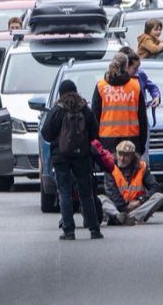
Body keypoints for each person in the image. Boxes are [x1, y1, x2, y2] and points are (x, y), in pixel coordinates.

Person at [40, 80, 103, 240]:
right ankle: (94, 229)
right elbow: (95, 132)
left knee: (65, 192)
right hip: (82, 156)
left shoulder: (57, 110)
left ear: (60, 93)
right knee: (86, 193)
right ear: (76, 91)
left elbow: (46, 134)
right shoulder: (84, 109)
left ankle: (68, 230)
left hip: (61, 156)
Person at [92, 53, 148, 155]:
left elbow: (95, 117)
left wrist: (96, 143)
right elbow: (142, 118)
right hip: (131, 139)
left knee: (111, 170)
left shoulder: (101, 86)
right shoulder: (135, 86)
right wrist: (142, 143)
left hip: (107, 140)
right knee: (131, 170)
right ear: (126, 66)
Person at [99, 140, 163, 225]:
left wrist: (140, 201)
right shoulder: (110, 167)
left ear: (133, 156)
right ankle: (119, 216)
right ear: (116, 153)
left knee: (159, 197)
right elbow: (112, 193)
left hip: (136, 207)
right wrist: (125, 207)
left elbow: (155, 187)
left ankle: (130, 218)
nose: (122, 158)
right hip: (117, 207)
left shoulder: (141, 167)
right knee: (100, 198)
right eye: (120, 154)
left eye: (126, 155)